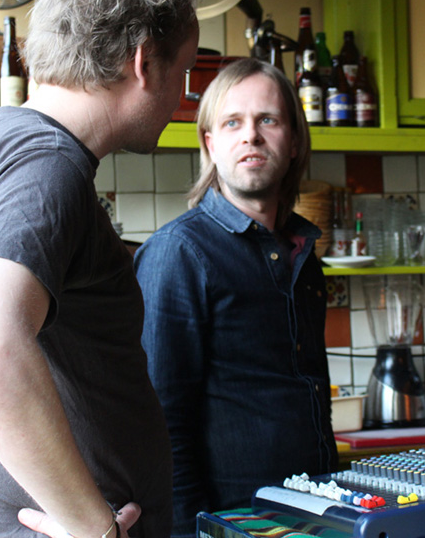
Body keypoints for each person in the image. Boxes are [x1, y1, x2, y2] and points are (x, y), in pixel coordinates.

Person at [0, 0, 200, 538]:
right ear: (143, 61)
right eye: (183, 71)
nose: (182, 95)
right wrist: (92, 525)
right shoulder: (47, 166)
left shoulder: (1, 146)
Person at [134, 58, 338, 538]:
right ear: (210, 143)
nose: (251, 136)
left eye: (267, 120)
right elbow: (159, 426)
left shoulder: (304, 255)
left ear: (294, 141)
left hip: (315, 516)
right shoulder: (179, 254)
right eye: (232, 122)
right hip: (231, 525)